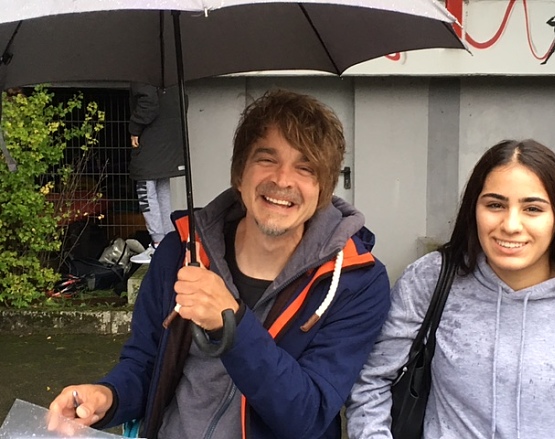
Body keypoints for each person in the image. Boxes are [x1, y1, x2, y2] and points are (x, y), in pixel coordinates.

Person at [48, 89, 391, 438]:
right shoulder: (180, 252)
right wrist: (108, 396)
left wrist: (232, 323)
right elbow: (144, 363)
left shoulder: (357, 281)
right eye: (267, 159)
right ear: (239, 174)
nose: (282, 180)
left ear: (324, 189)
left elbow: (307, 416)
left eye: (305, 168)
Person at [346, 139, 555, 438]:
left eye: (532, 208)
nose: (511, 225)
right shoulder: (432, 278)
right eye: (495, 205)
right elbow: (371, 382)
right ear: (474, 209)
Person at [127, 82, 185, 264]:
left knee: (146, 190)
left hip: (150, 142)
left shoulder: (143, 74)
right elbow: (184, 100)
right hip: (169, 142)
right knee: (163, 190)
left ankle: (158, 244)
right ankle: (168, 243)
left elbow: (149, 103)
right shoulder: (169, 74)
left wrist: (134, 128)